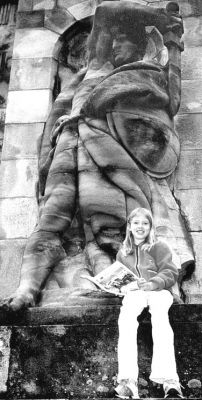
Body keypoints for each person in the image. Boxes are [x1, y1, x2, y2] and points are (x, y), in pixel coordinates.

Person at [2, 1, 194, 311]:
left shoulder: (144, 74)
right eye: (112, 38)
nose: (115, 44)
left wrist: (171, 38)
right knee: (52, 216)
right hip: (71, 147)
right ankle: (28, 287)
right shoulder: (86, 76)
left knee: (111, 221)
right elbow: (61, 113)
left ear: (140, 43)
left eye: (123, 39)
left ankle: (123, 278)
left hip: (110, 154)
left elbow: (164, 108)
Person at [115, 207, 183, 399]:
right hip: (135, 293)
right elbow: (121, 277)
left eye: (145, 223)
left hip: (158, 291)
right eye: (136, 223)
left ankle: (170, 381)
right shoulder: (123, 252)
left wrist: (153, 283)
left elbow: (170, 272)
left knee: (161, 318)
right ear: (129, 226)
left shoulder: (159, 246)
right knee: (126, 319)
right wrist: (121, 287)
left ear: (151, 227)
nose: (140, 227)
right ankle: (128, 382)